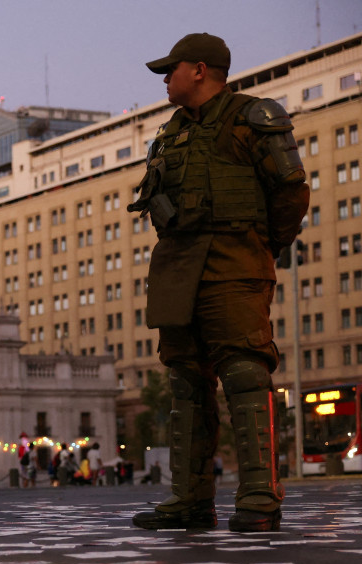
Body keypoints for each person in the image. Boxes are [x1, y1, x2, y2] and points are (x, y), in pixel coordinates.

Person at [128, 33, 309, 533]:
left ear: (201, 70)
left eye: (173, 69)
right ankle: (190, 501)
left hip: (234, 263)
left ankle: (259, 498)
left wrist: (263, 246)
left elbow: (291, 192)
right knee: (186, 383)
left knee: (245, 375)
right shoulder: (168, 134)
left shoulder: (253, 117)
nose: (166, 78)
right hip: (178, 269)